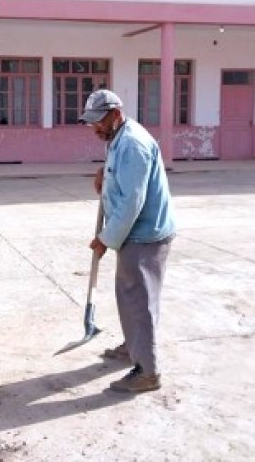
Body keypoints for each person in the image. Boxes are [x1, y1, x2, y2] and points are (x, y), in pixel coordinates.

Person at [78, 89, 176, 393]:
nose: (94, 128)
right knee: (130, 297)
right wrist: (104, 174)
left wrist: (105, 239)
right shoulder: (119, 137)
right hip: (135, 233)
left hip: (144, 234)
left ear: (116, 115)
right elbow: (126, 177)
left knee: (139, 302)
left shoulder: (132, 143)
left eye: (98, 122)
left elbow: (133, 201)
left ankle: (148, 372)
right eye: (91, 122)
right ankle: (133, 347)